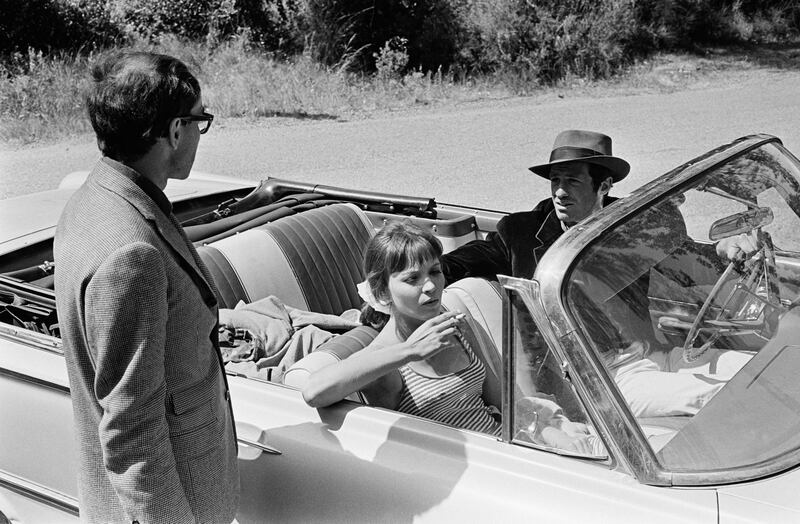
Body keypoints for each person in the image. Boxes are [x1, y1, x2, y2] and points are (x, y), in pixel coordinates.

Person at [54, 51, 239, 523]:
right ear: (176, 130)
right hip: (176, 506)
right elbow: (132, 429)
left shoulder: (92, 200)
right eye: (201, 121)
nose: (200, 133)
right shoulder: (131, 252)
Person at [302, 222, 599, 453]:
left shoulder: (452, 324)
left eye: (435, 272)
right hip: (451, 474)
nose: (430, 286)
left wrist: (551, 436)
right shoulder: (385, 358)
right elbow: (313, 392)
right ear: (382, 292)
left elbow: (502, 402)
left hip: (503, 451)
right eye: (412, 279)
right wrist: (410, 351)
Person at [441, 129, 629, 285]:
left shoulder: (631, 228)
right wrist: (424, 269)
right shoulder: (519, 232)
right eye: (555, 180)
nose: (560, 192)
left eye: (572, 181)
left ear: (604, 186)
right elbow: (461, 262)